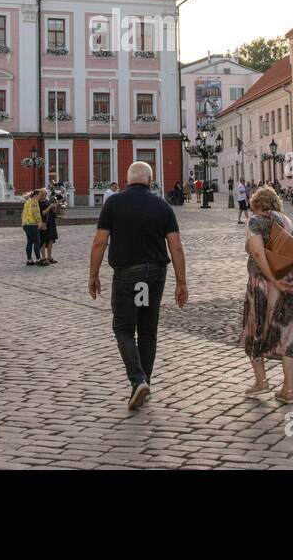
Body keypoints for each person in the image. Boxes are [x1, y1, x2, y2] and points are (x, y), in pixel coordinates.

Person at [88, 161, 188, 411]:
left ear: (126, 179)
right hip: (154, 274)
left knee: (123, 328)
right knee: (147, 330)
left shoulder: (113, 203)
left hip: (127, 274)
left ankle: (138, 379)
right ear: (150, 180)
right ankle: (144, 383)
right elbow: (175, 246)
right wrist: (181, 282)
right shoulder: (162, 206)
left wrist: (94, 274)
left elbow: (100, 242)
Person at [240, 186, 293, 403]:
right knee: (289, 334)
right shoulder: (289, 224)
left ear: (255, 204)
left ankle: (261, 381)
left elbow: (259, 254)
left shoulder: (254, 221)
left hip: (262, 286)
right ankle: (288, 390)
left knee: (255, 330)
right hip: (290, 286)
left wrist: (273, 280)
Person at [22, 189, 46, 266]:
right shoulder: (34, 201)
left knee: (29, 242)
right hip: (32, 224)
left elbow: (23, 213)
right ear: (36, 195)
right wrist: (40, 222)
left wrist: (23, 223)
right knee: (37, 241)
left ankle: (29, 260)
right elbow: (36, 213)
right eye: (39, 195)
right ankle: (38, 259)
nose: (40, 197)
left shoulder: (27, 201)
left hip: (26, 224)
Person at [40, 190, 63, 265]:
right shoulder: (39, 202)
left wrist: (56, 207)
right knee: (43, 240)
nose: (45, 195)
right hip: (44, 223)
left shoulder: (47, 201)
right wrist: (50, 206)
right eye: (44, 194)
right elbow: (43, 213)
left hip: (51, 222)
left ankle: (49, 257)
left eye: (46, 194)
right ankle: (43, 257)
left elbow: (53, 212)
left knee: (51, 240)